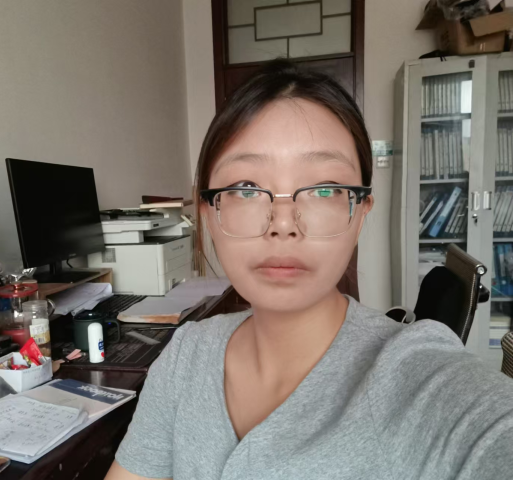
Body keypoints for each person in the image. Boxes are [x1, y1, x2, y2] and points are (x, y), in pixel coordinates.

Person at [105, 59, 513, 480]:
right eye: (246, 188)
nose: (283, 223)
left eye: (323, 189)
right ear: (209, 213)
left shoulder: (415, 378)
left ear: (360, 213)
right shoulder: (185, 357)